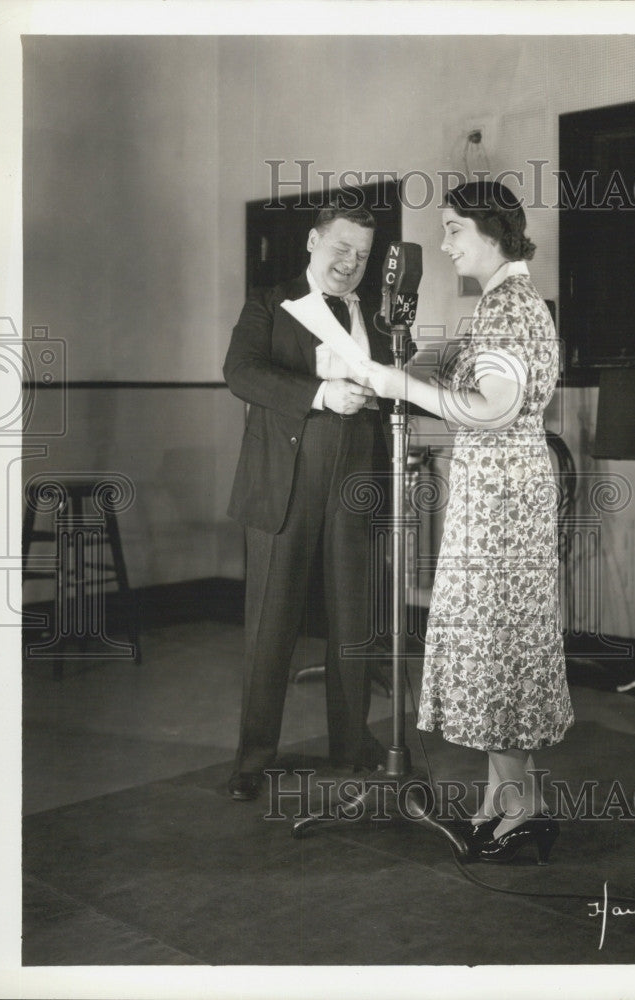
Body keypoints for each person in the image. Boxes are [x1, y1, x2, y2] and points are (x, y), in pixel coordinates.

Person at [358, 180, 574, 862]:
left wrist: (403, 388)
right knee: (495, 642)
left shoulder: (509, 307)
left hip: (503, 503)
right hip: (498, 494)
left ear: (490, 232)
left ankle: (520, 807)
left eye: (454, 229)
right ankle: (501, 800)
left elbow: (492, 409)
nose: (446, 243)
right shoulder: (505, 304)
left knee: (498, 645)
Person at [223, 203, 391, 801]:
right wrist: (319, 393)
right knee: (271, 627)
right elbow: (239, 372)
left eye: (363, 256)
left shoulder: (373, 312)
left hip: (354, 481)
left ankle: (352, 746)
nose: (351, 264)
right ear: (314, 241)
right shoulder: (269, 302)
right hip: (283, 484)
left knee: (353, 625)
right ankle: (254, 758)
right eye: (341, 249)